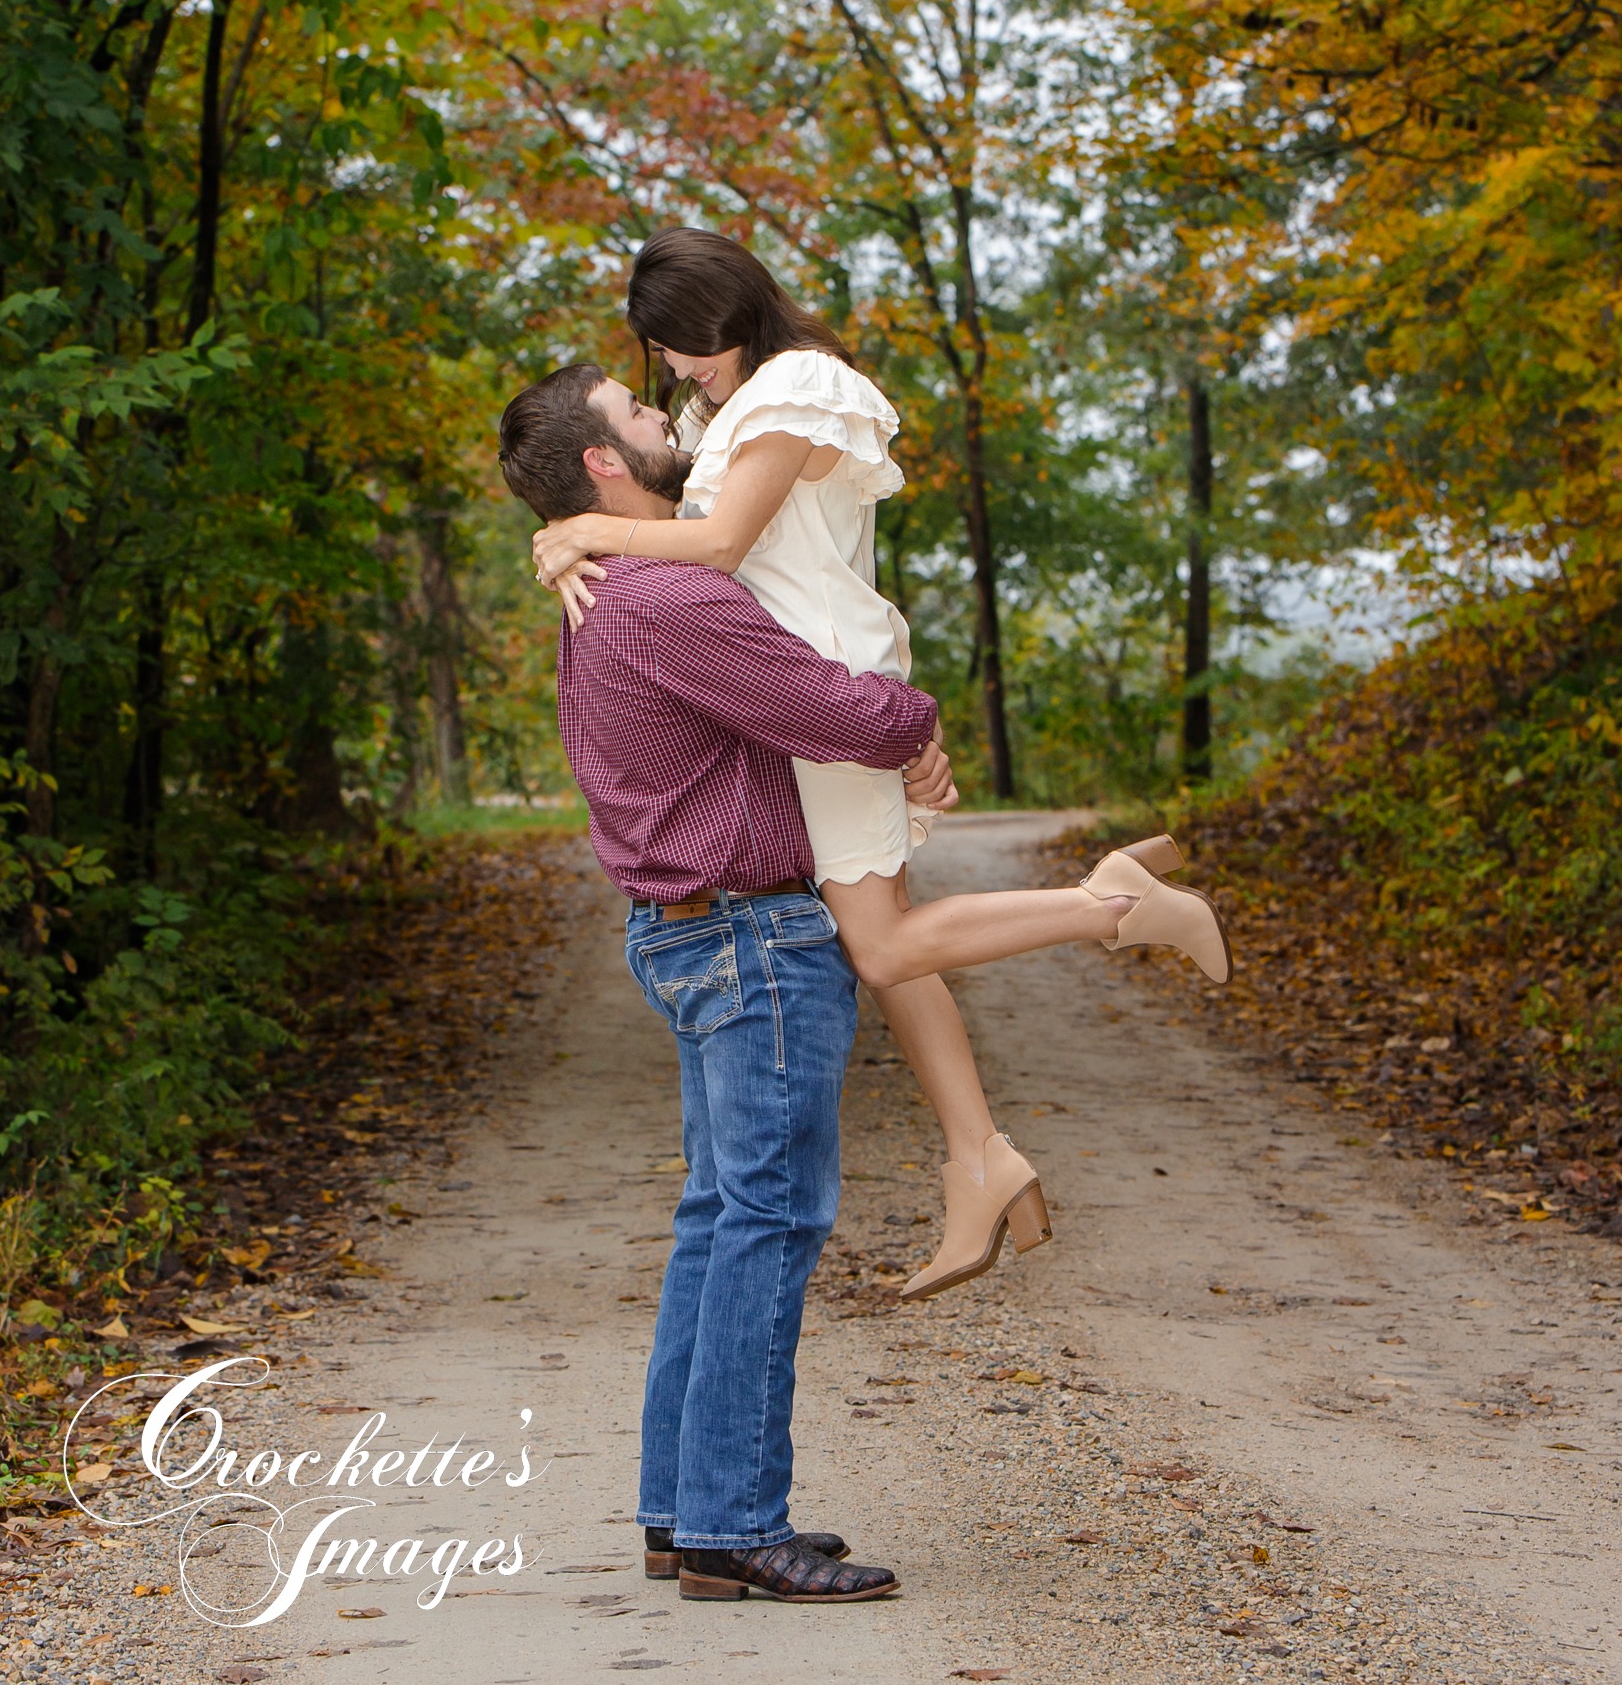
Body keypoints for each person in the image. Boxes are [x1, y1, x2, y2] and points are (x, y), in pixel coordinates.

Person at [529, 230, 1231, 1300]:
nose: (672, 374)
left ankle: (1114, 905)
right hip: (791, 689)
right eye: (658, 361)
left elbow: (714, 546)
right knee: (883, 938)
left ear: (728, 312)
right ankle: (979, 1161)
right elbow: (678, 531)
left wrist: (580, 524)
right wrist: (566, 537)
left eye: (678, 349)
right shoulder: (734, 408)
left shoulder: (798, 385)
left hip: (819, 684)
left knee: (886, 943)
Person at [497, 359, 954, 1602]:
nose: (667, 424)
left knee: (720, 1219)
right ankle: (733, 1524)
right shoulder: (659, 596)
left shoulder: (608, 587)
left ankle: (683, 1507)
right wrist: (913, 725)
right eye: (640, 417)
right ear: (603, 464)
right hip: (751, 940)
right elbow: (831, 708)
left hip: (692, 931)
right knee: (768, 1219)